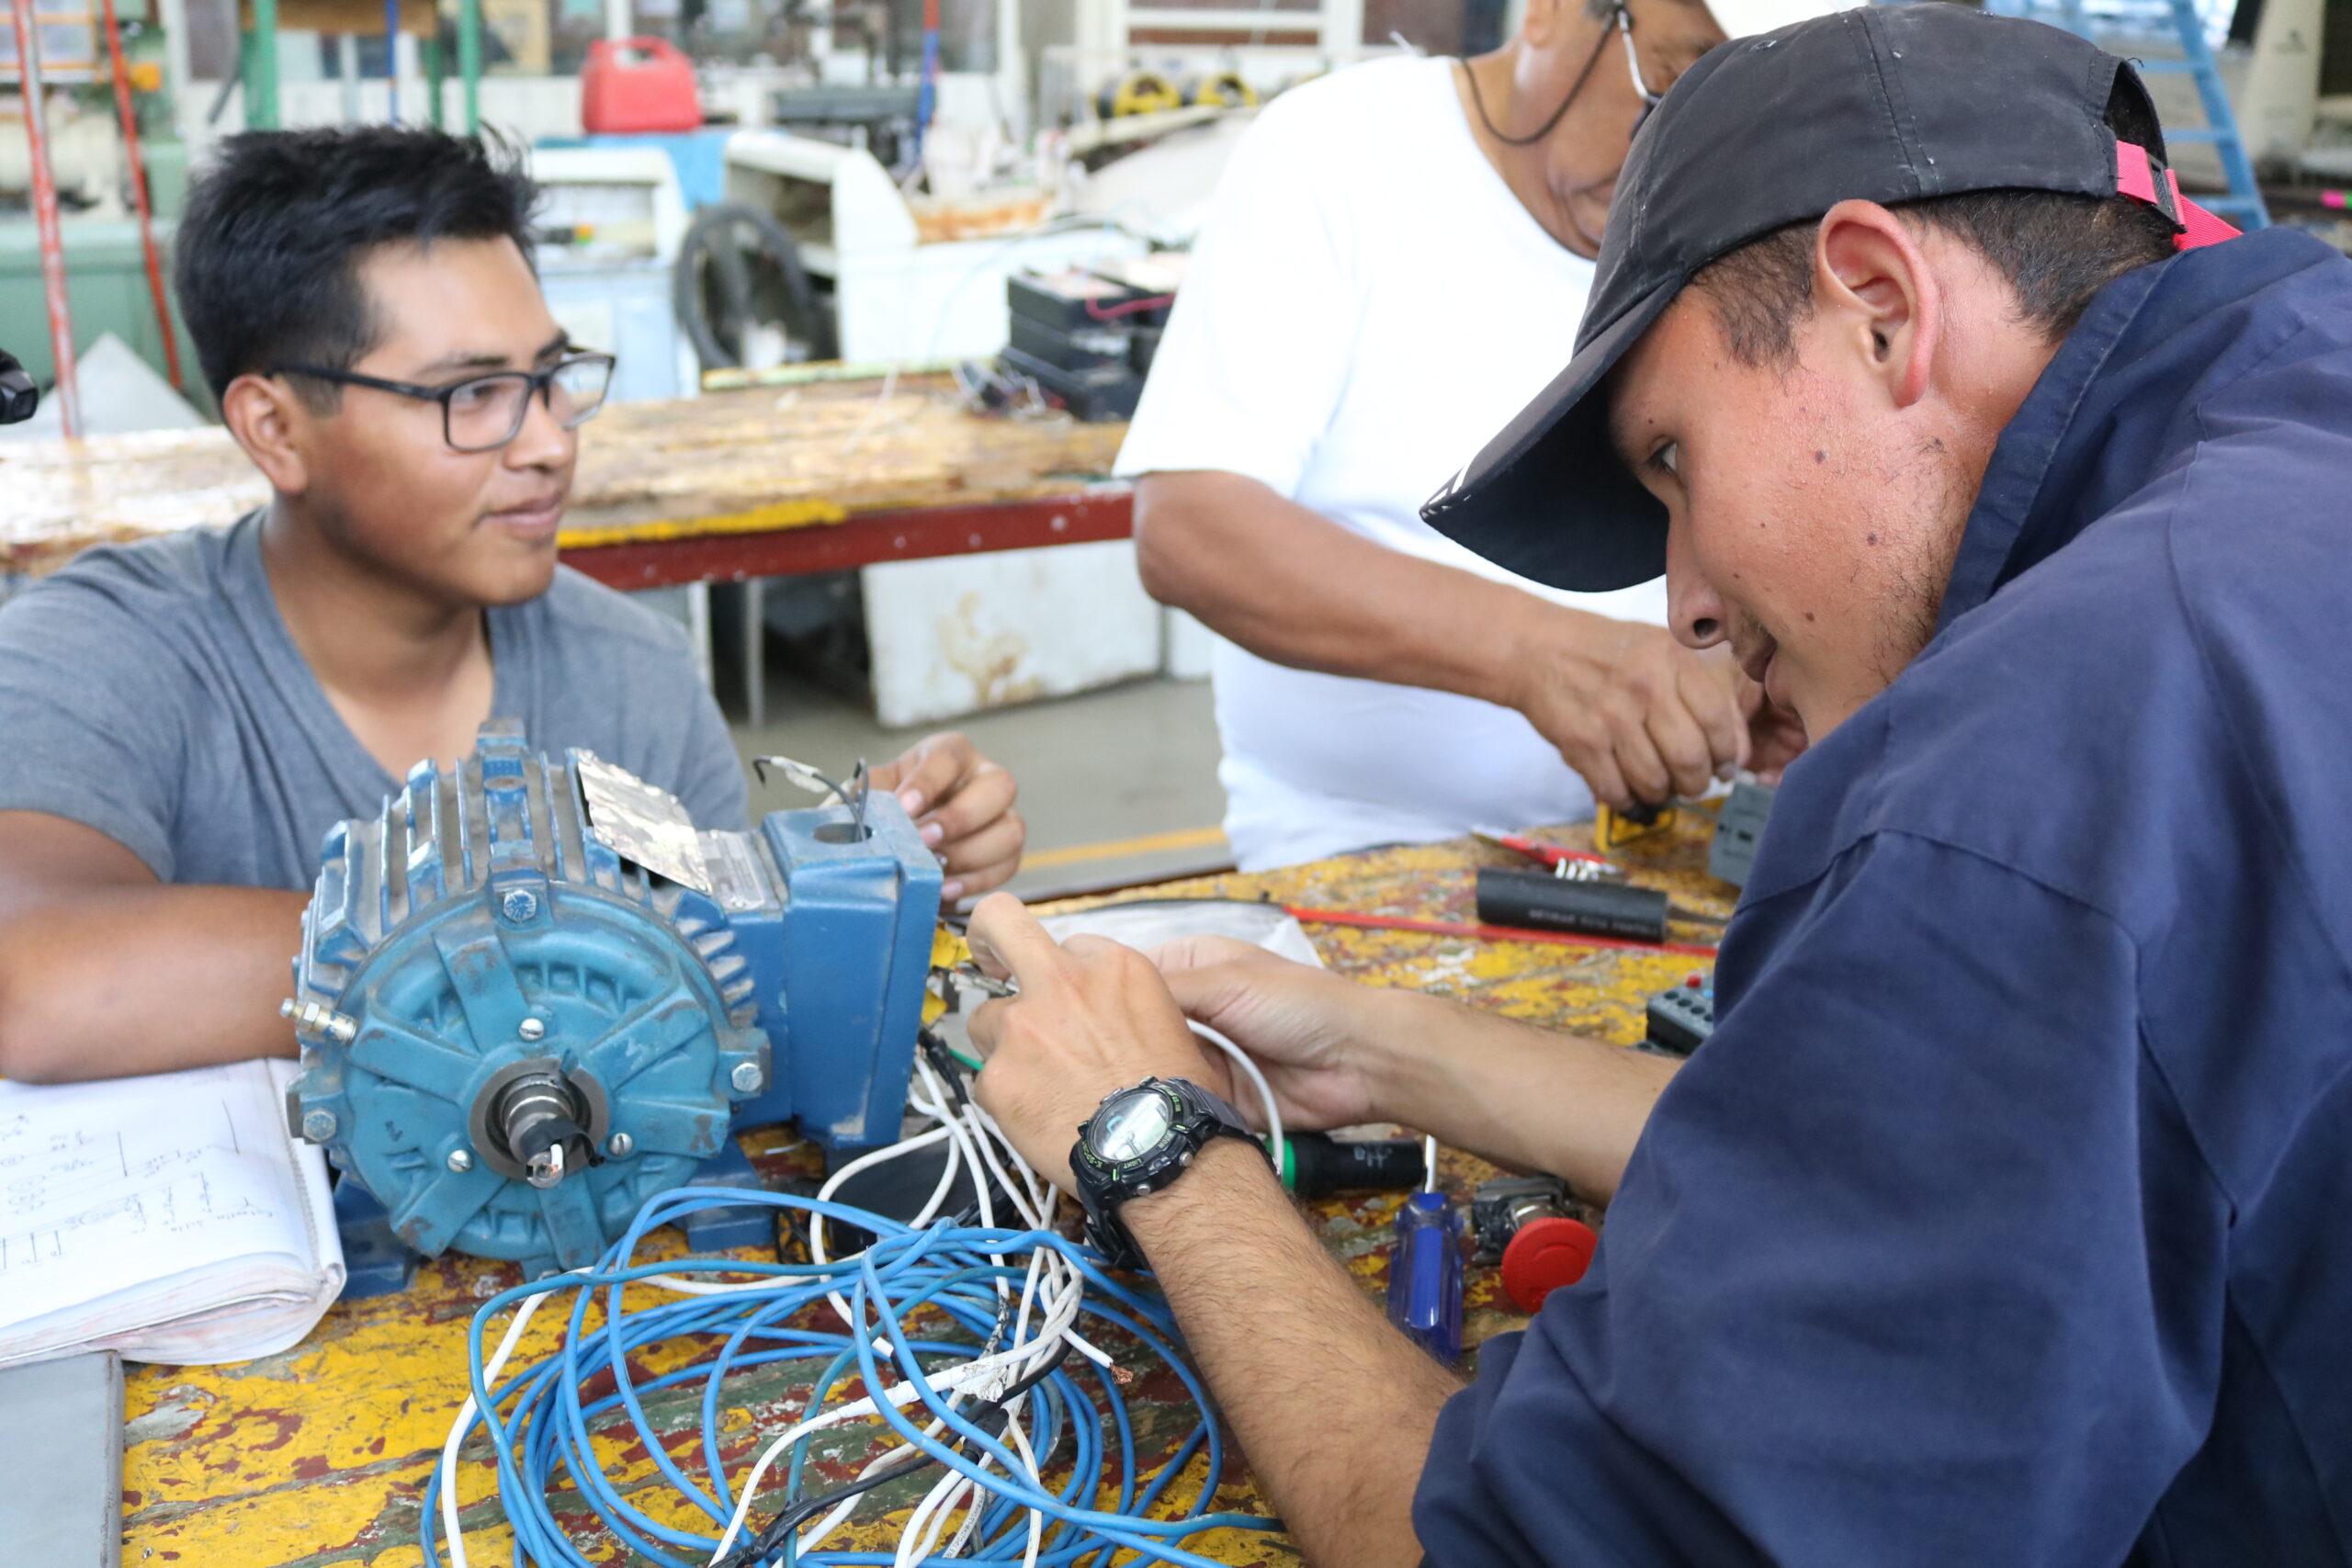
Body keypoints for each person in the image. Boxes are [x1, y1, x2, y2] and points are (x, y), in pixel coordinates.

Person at [956, 6, 2352, 1563]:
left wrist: (1153, 1140)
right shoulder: (2292, 399)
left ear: (1881, 305)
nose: (1684, 601)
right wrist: (1383, 1044)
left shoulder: (2030, 770)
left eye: (1674, 463)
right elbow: (1935, 1161)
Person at [0, 127, 1023, 1083]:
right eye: (472, 395)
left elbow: (723, 1014)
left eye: (552, 377)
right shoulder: (105, 650)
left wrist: (854, 881)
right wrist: (546, 935)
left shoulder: (630, 676)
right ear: (274, 428)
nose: (548, 442)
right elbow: (33, 979)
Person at [1117, 0, 1796, 871]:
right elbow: (1189, 528)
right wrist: (1543, 657)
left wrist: (1769, 667)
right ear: (1552, 11)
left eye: (1743, 122)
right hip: (1366, 849)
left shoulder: (1739, 221)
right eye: (1673, 85)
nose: (1685, 163)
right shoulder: (1338, 153)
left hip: (1674, 845)